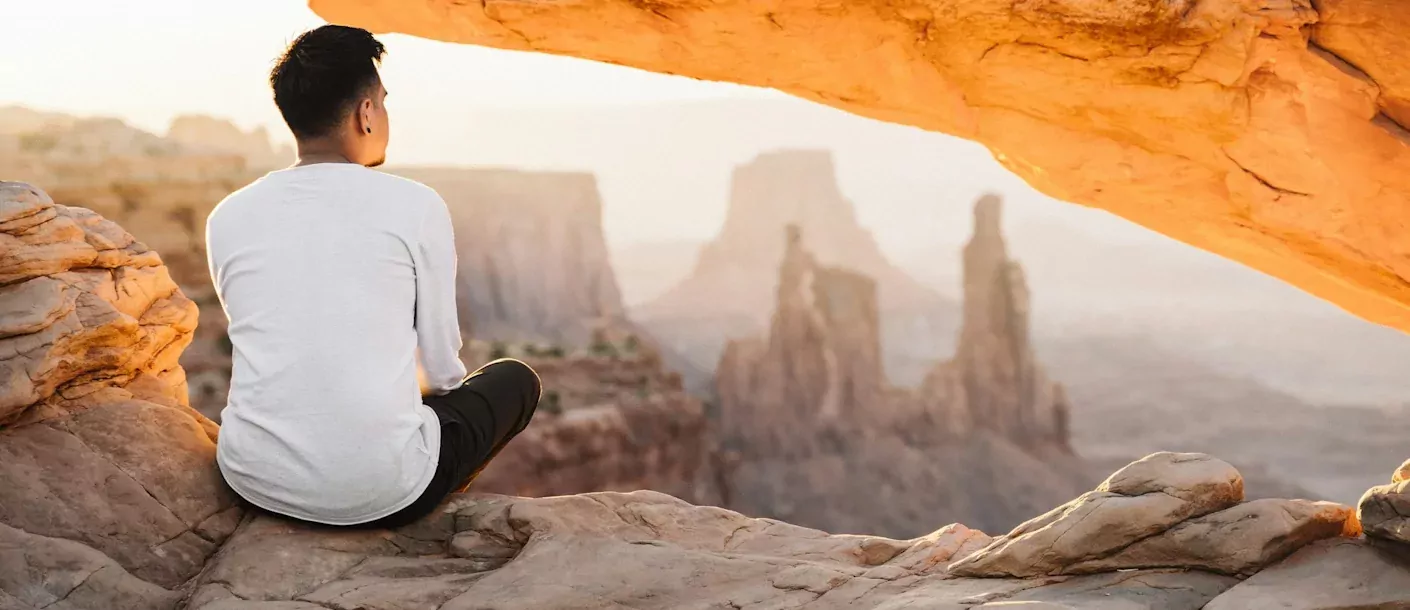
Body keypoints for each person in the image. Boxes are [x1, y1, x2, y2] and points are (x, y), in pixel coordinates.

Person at [205, 25, 540, 528]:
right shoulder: (416, 205)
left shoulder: (227, 215)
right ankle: (412, 492)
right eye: (381, 102)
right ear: (366, 113)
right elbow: (446, 371)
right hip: (385, 493)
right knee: (515, 380)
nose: (383, 114)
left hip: (253, 480)